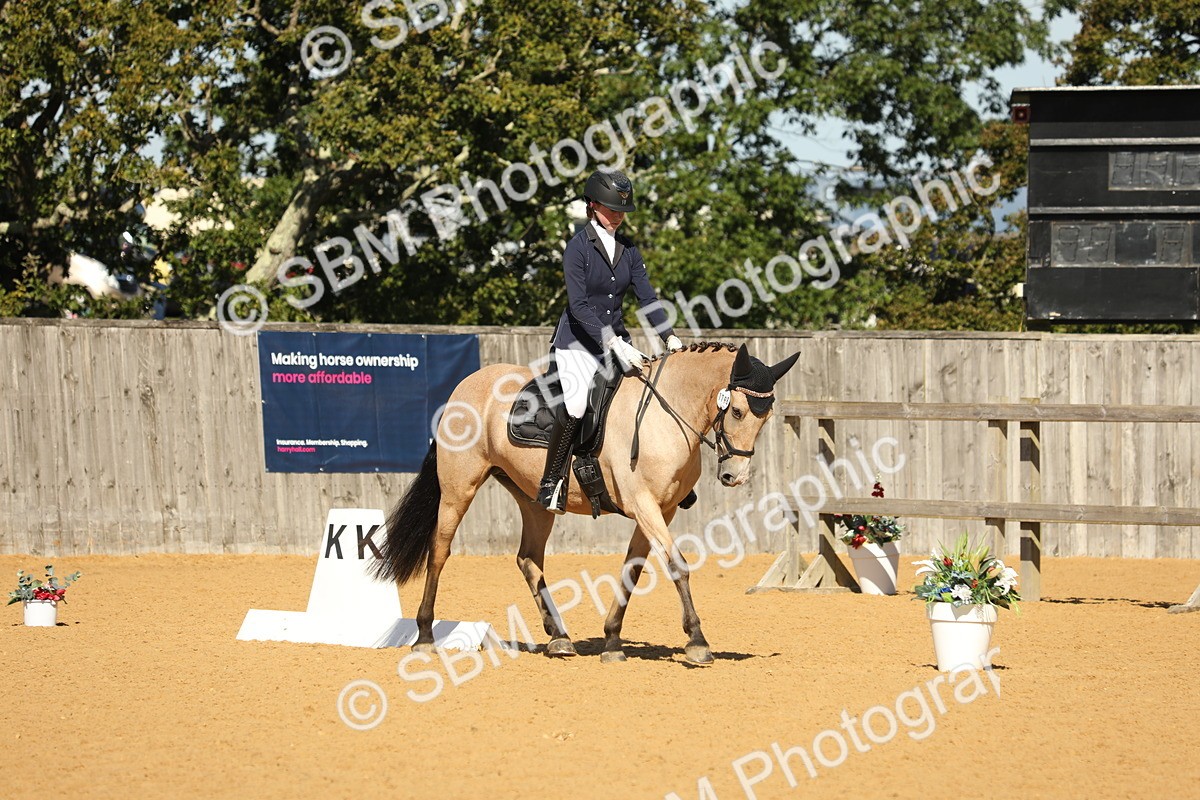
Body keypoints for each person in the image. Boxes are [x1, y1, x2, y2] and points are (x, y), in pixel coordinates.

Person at [536, 168, 683, 514]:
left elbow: (647, 298)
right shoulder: (577, 248)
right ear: (592, 205)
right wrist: (612, 342)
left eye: (622, 211)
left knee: (649, 388)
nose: (618, 216)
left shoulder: (629, 250)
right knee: (574, 405)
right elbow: (579, 305)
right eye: (611, 209)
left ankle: (667, 477)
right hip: (577, 343)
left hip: (618, 340)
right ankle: (551, 482)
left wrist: (670, 338)